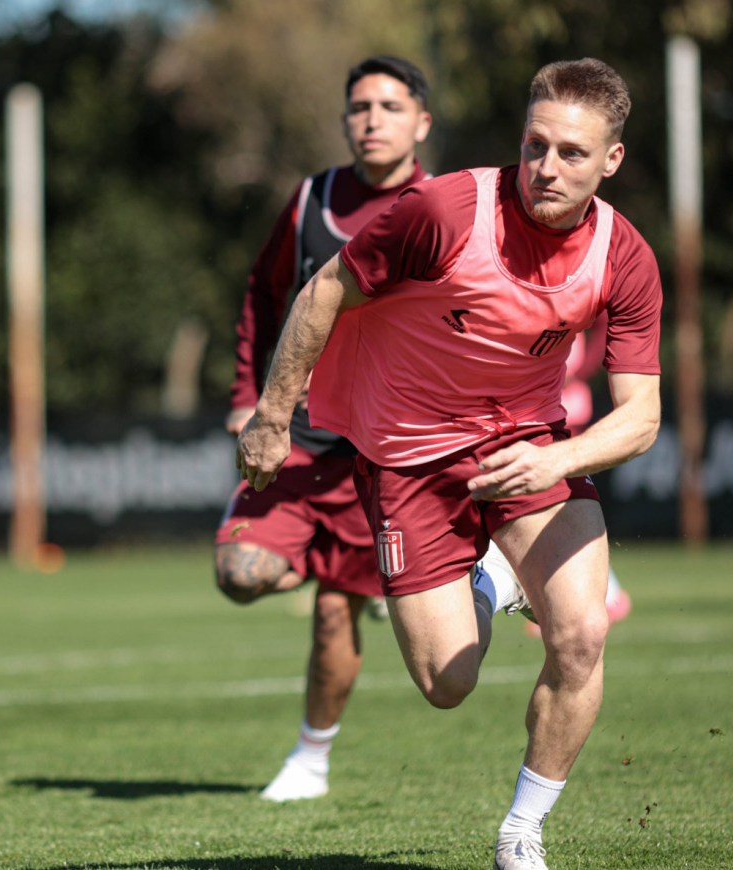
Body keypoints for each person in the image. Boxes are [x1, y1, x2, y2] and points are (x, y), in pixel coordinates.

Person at [237, 58, 663, 870]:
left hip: (527, 448)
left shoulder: (625, 256)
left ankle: (520, 834)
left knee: (579, 634)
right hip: (406, 457)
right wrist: (272, 412)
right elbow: (324, 289)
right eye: (536, 145)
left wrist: (557, 462)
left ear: (611, 160)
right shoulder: (443, 210)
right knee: (447, 683)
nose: (547, 167)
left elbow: (641, 419)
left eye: (573, 153)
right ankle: (494, 581)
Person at [215, 55, 433, 803]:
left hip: (383, 451)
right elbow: (263, 293)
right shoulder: (311, 197)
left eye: (390, 106)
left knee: (335, 613)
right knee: (239, 575)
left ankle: (310, 761)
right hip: (300, 437)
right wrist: (252, 396)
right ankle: (346, 568)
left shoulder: (442, 210)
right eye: (360, 107)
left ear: (421, 123)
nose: (372, 119)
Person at [507, 313, 633, 640]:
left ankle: (608, 595)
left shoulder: (572, 280)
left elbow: (606, 319)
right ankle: (601, 594)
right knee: (547, 504)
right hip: (535, 407)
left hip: (563, 409)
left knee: (561, 502)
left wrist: (580, 370)